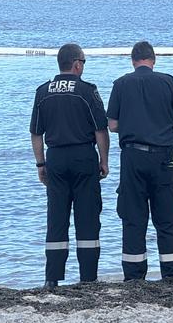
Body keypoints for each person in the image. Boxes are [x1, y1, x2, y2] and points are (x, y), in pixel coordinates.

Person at [107, 41, 173, 281]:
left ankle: (133, 276)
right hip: (164, 157)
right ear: (154, 60)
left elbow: (112, 125)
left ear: (132, 61)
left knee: (133, 217)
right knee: (166, 216)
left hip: (133, 156)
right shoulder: (166, 81)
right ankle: (172, 274)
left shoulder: (121, 84)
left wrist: (134, 124)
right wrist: (162, 123)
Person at [29, 43, 110, 289]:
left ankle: (51, 278)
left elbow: (35, 133)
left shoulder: (43, 91)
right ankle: (88, 278)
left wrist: (40, 163)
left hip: (55, 158)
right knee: (87, 217)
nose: (84, 66)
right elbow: (100, 130)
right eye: (83, 62)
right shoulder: (87, 91)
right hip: (82, 156)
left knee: (57, 217)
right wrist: (104, 160)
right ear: (76, 64)